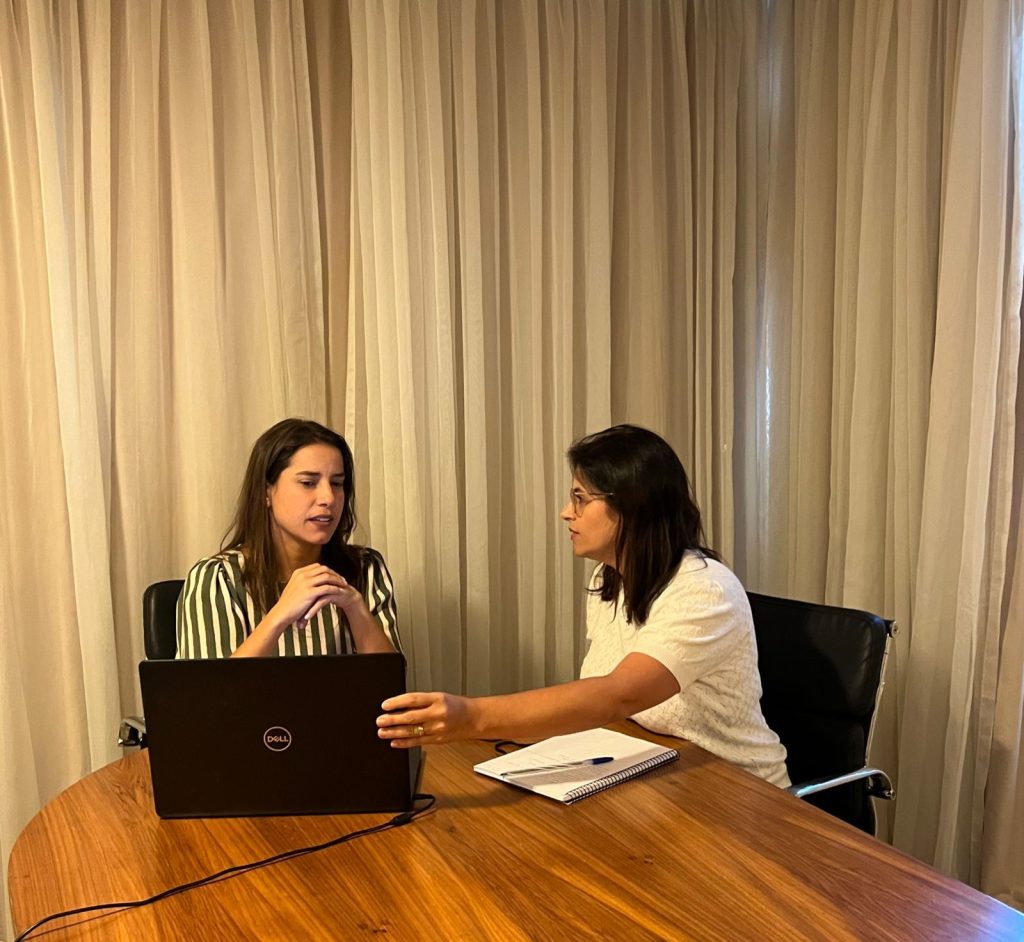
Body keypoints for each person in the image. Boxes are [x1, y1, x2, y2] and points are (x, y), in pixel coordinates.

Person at [377, 424, 789, 786]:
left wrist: (472, 716)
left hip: (742, 794)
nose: (566, 513)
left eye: (580, 498)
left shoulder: (705, 589)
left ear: (631, 505)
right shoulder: (608, 579)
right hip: (665, 775)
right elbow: (603, 705)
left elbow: (618, 695)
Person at [177, 418, 400, 658]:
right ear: (266, 492)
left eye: (337, 483)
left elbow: (391, 679)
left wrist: (355, 608)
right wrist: (279, 616)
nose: (328, 498)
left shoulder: (366, 568)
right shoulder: (219, 578)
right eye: (308, 483)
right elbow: (213, 683)